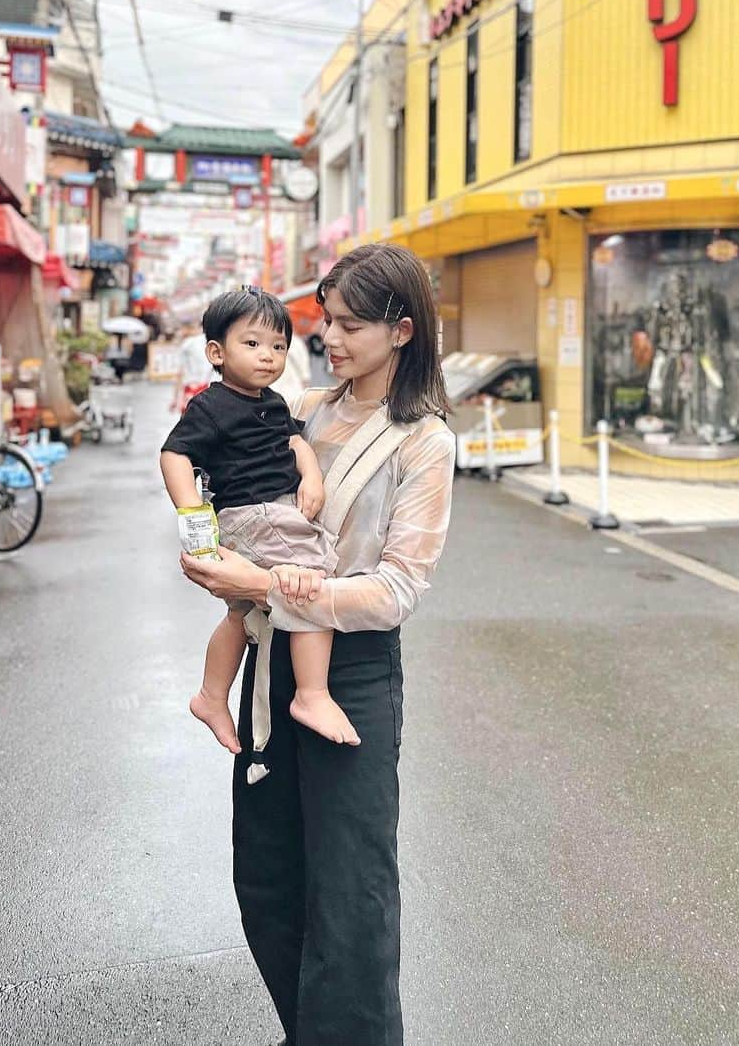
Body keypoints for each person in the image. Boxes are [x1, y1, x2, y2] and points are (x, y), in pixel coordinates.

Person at [178, 243, 456, 1046]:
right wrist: (206, 551)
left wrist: (266, 586)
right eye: (324, 321)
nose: (327, 337)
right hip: (271, 658)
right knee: (267, 877)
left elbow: (397, 590)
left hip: (352, 675)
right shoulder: (302, 409)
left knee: (350, 896)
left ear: (401, 331)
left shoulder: (423, 442)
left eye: (347, 324)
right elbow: (212, 483)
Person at [161, 288, 361, 760]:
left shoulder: (271, 402)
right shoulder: (210, 407)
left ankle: (211, 696)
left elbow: (294, 444)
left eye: (277, 347)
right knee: (312, 583)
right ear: (216, 352)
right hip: (255, 513)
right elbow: (174, 454)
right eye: (252, 344)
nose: (268, 357)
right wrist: (193, 515)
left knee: (242, 613)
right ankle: (311, 694)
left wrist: (311, 477)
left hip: (274, 510)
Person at [169, 319, 215, 415]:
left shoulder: (186, 345)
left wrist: (175, 398)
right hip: (205, 389)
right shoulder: (209, 342)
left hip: (190, 389)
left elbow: (180, 373)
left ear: (187, 329)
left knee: (187, 425)